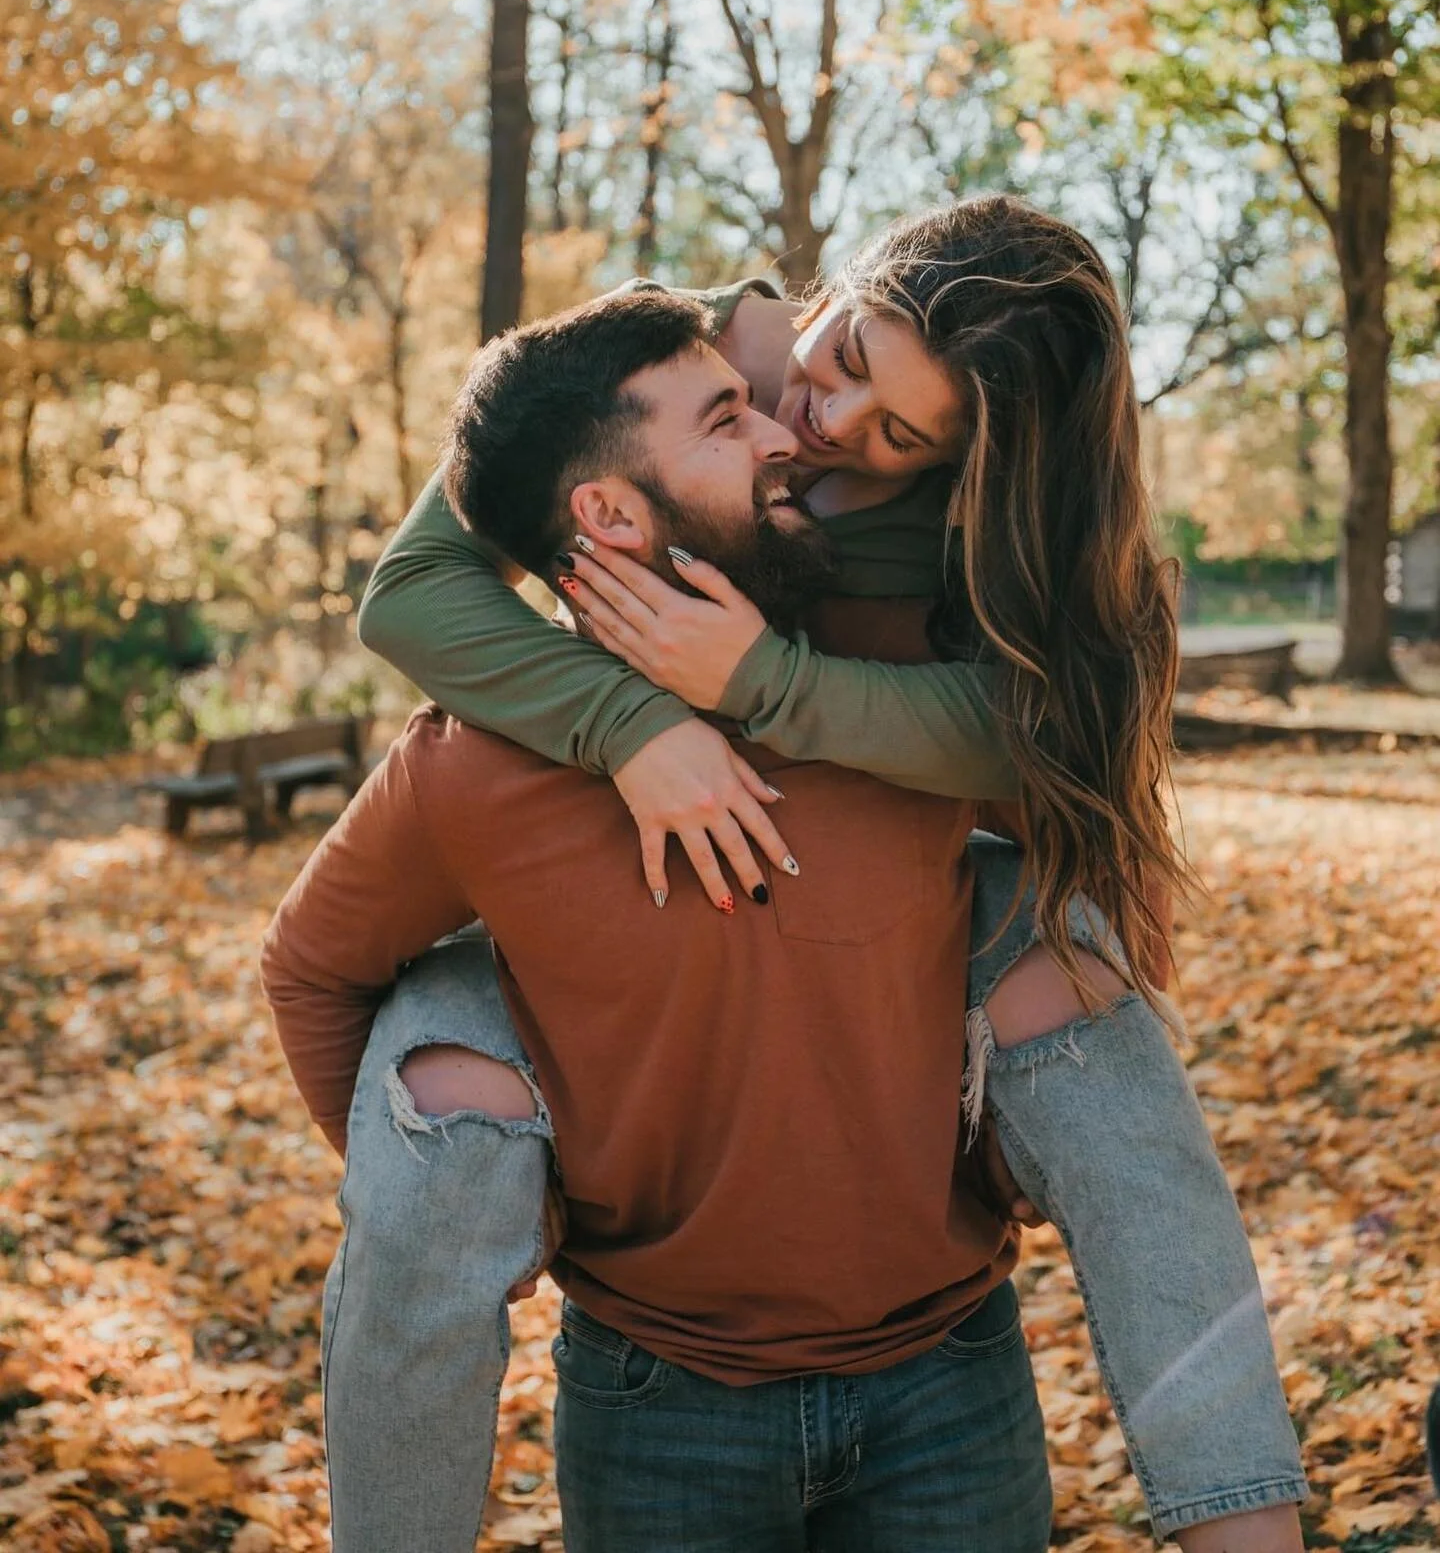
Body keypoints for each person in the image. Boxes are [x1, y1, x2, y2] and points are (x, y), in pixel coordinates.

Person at [346, 201, 1309, 1547]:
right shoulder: (678, 357)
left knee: (1096, 1038)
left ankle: (1241, 1517)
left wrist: (763, 684)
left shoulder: (1015, 526)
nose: (824, 419)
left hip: (917, 896)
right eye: (845, 350)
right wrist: (636, 725)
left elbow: (1053, 745)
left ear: (974, 459)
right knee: (436, 1062)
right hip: (653, 1037)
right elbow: (409, 592)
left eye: (900, 434)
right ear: (846, 283)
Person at [266, 290, 1058, 1551]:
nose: (792, 436)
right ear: (610, 515)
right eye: (727, 421)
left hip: (951, 1379)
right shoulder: (472, 767)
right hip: (658, 1409)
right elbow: (310, 970)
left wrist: (1023, 1127)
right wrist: (471, 1199)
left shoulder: (905, 697)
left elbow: (1084, 800)